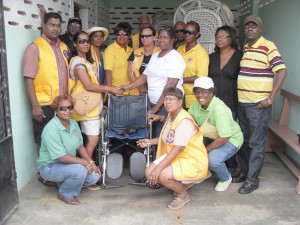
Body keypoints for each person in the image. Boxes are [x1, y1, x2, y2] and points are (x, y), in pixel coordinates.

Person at [234, 15, 287, 194]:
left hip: (258, 106)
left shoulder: (268, 46)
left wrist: (270, 98)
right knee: (243, 141)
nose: (250, 28)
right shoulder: (247, 47)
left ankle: (253, 180)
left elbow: (282, 72)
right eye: (247, 26)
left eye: (254, 26)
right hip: (243, 103)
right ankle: (245, 172)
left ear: (260, 29)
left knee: (256, 144)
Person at [137, 87, 208, 209]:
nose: (167, 102)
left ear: (180, 102)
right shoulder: (171, 115)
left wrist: (159, 169)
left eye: (171, 99)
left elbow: (177, 149)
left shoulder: (184, 121)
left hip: (191, 159)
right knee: (149, 173)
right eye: (166, 99)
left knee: (162, 175)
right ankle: (182, 183)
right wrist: (150, 141)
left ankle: (183, 195)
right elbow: (168, 138)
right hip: (178, 155)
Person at [120, 26, 186, 137]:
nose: (161, 40)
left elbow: (170, 85)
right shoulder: (155, 56)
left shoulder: (175, 58)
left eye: (165, 38)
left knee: (162, 136)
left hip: (167, 104)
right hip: (152, 101)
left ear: (172, 40)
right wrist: (129, 87)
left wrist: (156, 107)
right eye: (159, 37)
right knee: (151, 134)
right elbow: (145, 76)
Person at [37, 95, 101, 205]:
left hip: (67, 166)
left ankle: (63, 182)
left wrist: (91, 162)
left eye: (70, 107)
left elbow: (80, 146)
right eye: (63, 108)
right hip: (50, 167)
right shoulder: (51, 129)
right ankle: (65, 193)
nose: (68, 111)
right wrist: (85, 163)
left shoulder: (74, 123)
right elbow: (61, 157)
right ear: (56, 110)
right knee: (80, 170)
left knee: (95, 176)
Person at [69, 31, 121, 157]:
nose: (85, 44)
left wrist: (99, 103)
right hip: (85, 107)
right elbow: (89, 85)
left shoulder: (85, 61)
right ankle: (87, 168)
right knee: (93, 140)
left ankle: (86, 166)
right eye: (81, 41)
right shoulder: (78, 62)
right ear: (75, 44)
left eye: (87, 41)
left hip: (89, 106)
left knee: (87, 140)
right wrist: (111, 89)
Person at [23, 12, 70, 152]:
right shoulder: (34, 47)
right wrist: (35, 106)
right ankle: (43, 173)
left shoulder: (64, 47)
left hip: (62, 105)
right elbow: (28, 78)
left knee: (60, 140)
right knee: (43, 140)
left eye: (58, 26)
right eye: (51, 25)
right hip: (44, 105)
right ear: (44, 26)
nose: (55, 29)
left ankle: (57, 172)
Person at [188, 77, 244, 192]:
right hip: (211, 136)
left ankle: (225, 178)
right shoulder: (196, 105)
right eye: (197, 92)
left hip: (230, 139)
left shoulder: (219, 109)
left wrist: (205, 150)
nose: (200, 95)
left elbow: (224, 137)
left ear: (212, 92)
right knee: (188, 148)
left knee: (212, 160)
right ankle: (204, 171)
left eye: (204, 92)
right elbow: (189, 121)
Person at [208, 25, 243, 172]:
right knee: (213, 134)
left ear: (231, 38)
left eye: (223, 36)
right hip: (214, 103)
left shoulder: (240, 56)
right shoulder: (211, 57)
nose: (219, 39)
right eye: (217, 36)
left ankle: (231, 166)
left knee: (227, 134)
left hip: (231, 103)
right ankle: (215, 165)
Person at [177, 21, 209, 108]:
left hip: (192, 98)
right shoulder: (179, 49)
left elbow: (201, 77)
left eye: (190, 32)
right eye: (185, 32)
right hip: (177, 95)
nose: (186, 34)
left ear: (197, 34)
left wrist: (182, 80)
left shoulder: (201, 53)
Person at [127, 26, 160, 95]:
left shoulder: (160, 52)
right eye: (142, 36)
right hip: (137, 92)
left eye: (148, 36)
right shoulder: (135, 52)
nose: (144, 38)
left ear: (154, 37)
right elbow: (130, 71)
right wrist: (141, 87)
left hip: (156, 91)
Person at [104, 22, 133, 93]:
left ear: (129, 36)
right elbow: (108, 72)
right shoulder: (110, 49)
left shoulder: (131, 50)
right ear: (115, 35)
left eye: (125, 34)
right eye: (119, 34)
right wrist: (110, 91)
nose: (122, 36)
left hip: (131, 91)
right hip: (117, 92)